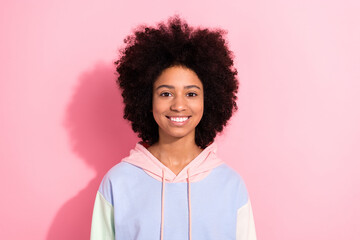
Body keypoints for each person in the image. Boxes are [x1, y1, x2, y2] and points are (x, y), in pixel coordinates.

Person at [90, 15, 257, 240]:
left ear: (209, 101)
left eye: (191, 94)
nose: (179, 105)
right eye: (166, 93)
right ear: (147, 100)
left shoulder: (231, 185)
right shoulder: (117, 182)